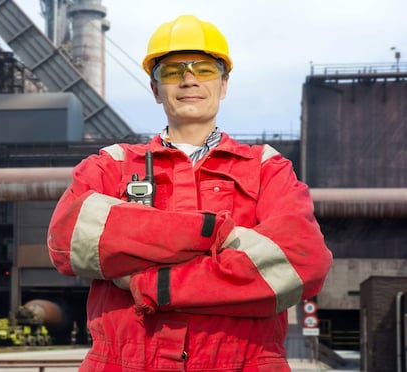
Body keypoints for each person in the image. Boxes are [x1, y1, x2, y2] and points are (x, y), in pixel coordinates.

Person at [46, 14, 333, 371]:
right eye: (171, 71)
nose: (189, 79)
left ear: (224, 84)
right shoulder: (112, 164)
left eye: (204, 69)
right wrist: (215, 234)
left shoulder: (266, 168)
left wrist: (154, 283)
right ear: (155, 90)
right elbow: (67, 239)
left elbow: (300, 262)